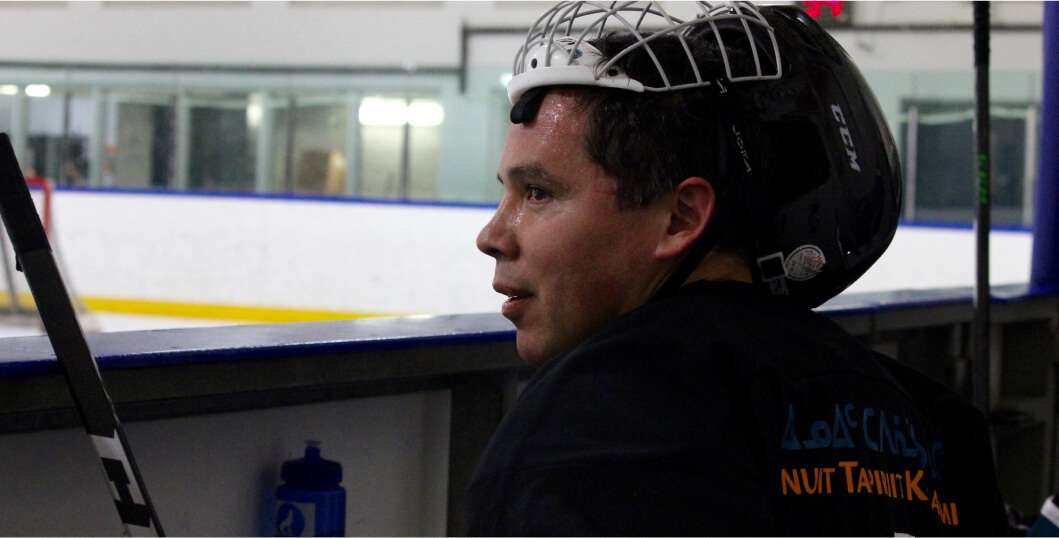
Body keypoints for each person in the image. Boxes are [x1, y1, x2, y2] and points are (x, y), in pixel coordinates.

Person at [468, 1, 1007, 535]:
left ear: (680, 218)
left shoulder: (585, 428)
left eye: (537, 193)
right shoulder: (931, 426)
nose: (491, 236)